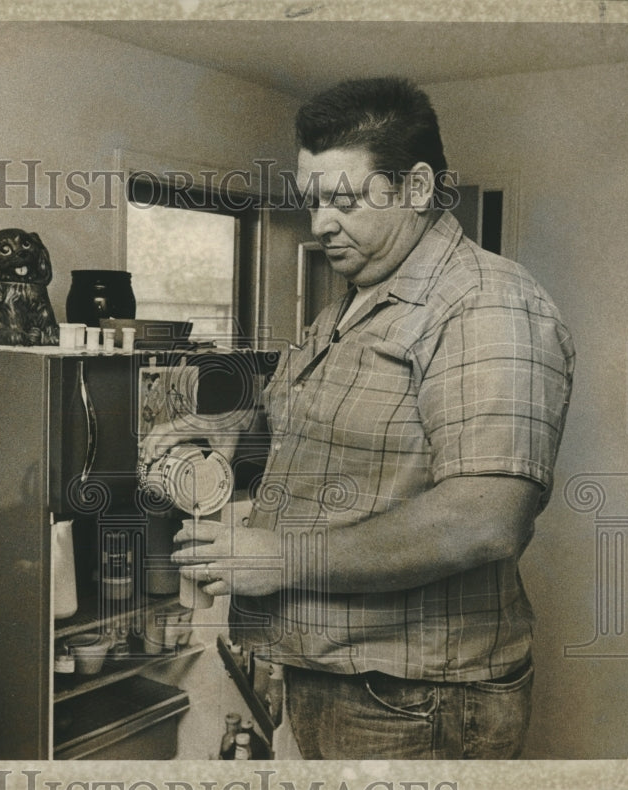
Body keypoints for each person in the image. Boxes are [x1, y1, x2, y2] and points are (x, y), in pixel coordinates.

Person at [140, 76, 575, 759]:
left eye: (342, 202)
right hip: (334, 679)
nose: (319, 226)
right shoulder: (352, 304)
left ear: (417, 188)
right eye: (313, 201)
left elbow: (486, 519)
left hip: (413, 702)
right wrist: (234, 436)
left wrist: (284, 558)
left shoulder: (486, 306)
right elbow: (320, 433)